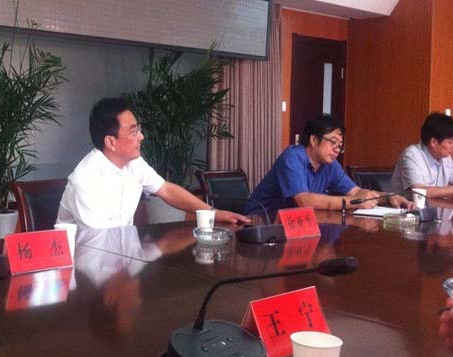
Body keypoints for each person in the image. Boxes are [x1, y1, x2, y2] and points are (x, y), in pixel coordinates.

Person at [56, 97, 250, 229]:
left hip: (121, 256)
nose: (141, 136)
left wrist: (214, 213)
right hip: (85, 267)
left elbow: (166, 190)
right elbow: (101, 245)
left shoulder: (134, 163)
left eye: (138, 129)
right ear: (110, 142)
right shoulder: (86, 180)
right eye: (133, 131)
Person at [250, 113, 412, 216]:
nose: (337, 149)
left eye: (340, 146)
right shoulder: (293, 157)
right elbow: (303, 201)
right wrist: (353, 202)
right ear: (314, 140)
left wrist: (388, 197)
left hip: (298, 225)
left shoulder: (330, 164)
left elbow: (356, 191)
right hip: (260, 223)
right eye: (333, 142)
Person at [391, 113, 453, 197]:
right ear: (433, 142)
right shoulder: (412, 155)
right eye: (450, 142)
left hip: (436, 204)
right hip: (408, 205)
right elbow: (419, 193)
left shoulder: (446, 157)